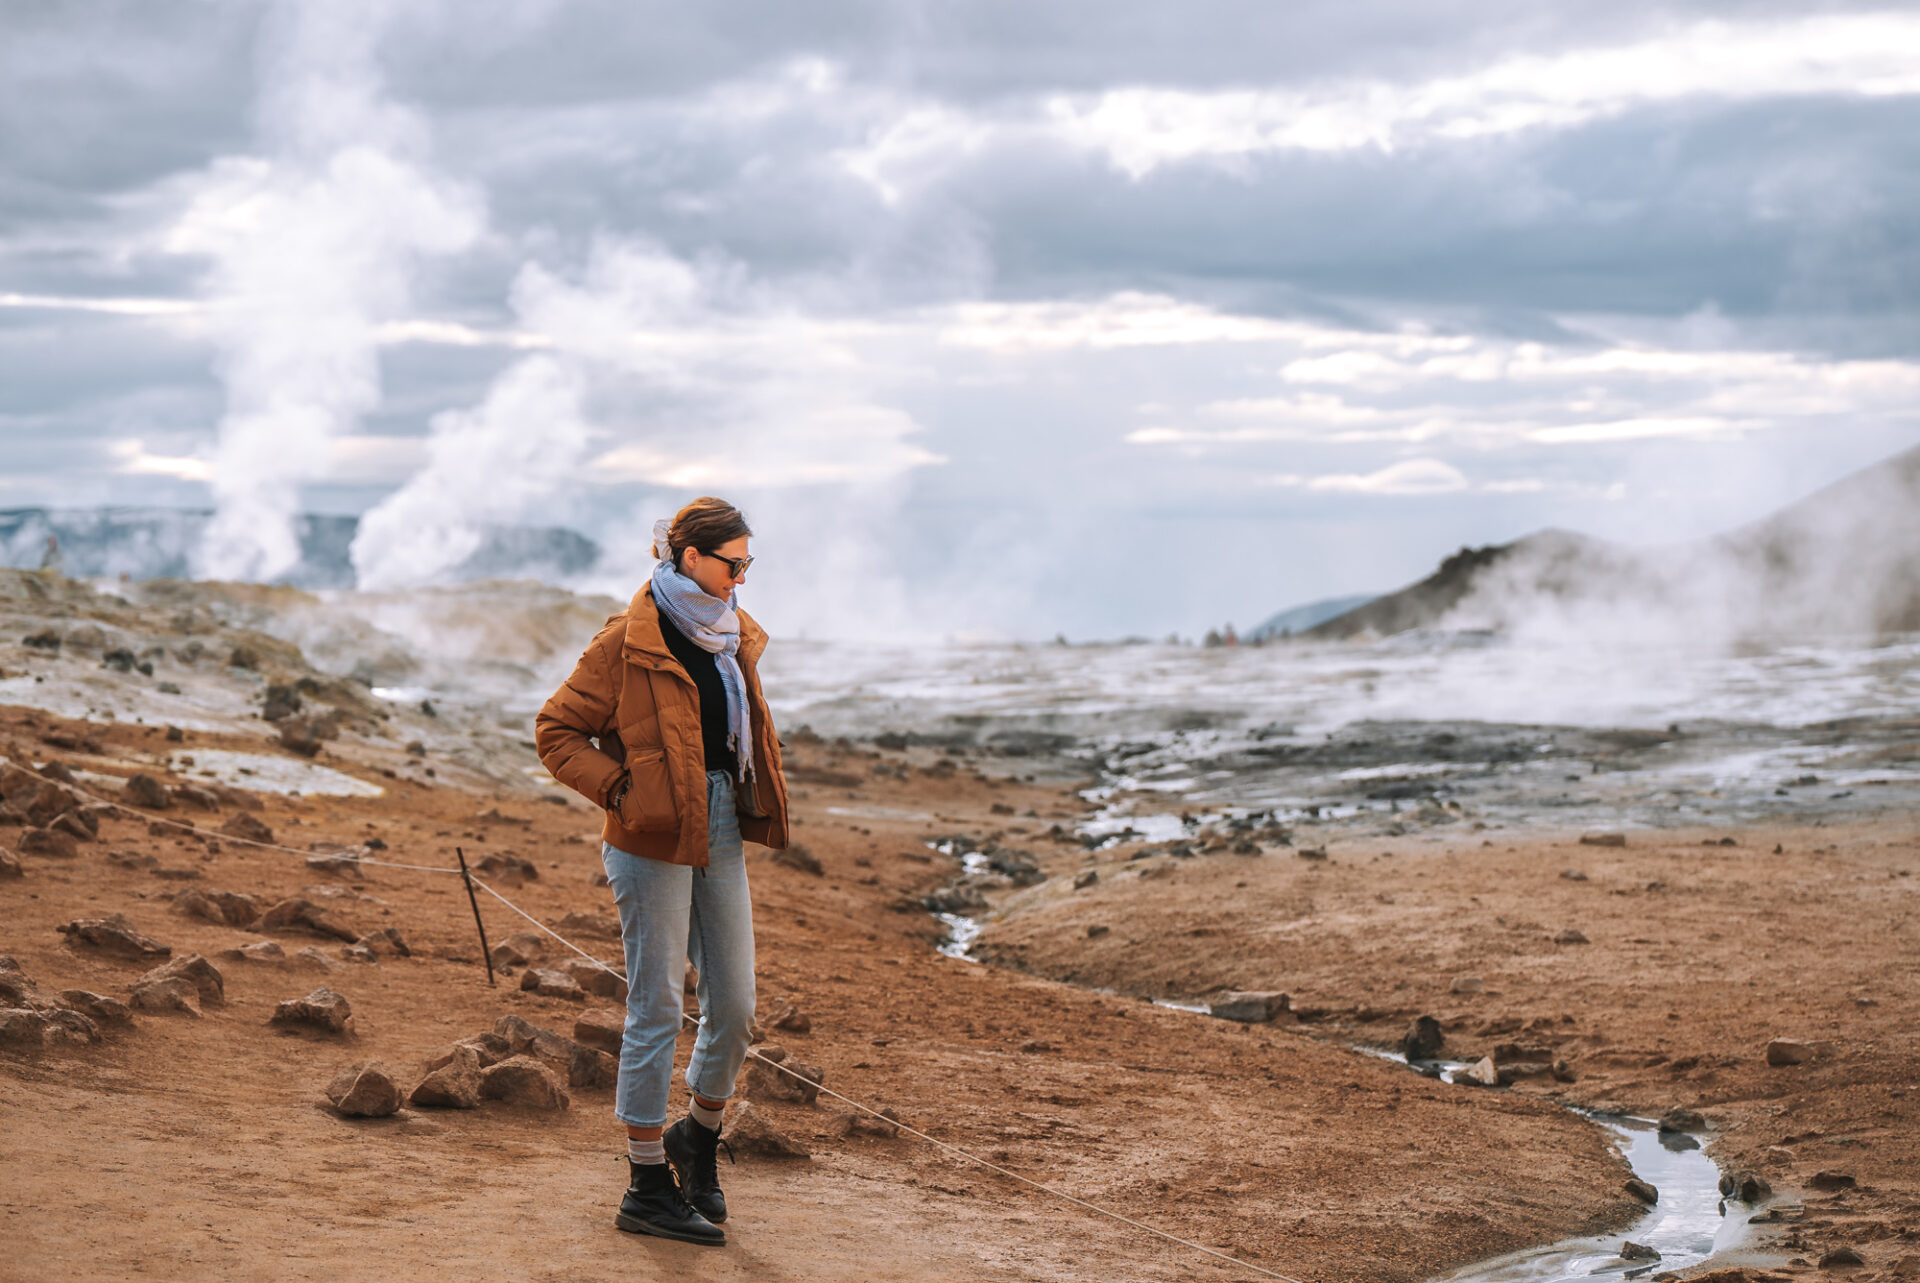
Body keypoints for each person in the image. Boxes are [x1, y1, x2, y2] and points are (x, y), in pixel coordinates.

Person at [535, 496, 790, 1247]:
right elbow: (557, 730)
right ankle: (646, 1182)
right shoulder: (628, 638)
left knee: (736, 1003)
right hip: (648, 832)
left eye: (749, 564)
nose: (742, 578)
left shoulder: (728, 633)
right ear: (687, 557)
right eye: (732, 563)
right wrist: (621, 789)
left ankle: (697, 1141)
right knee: (654, 1005)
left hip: (718, 823)